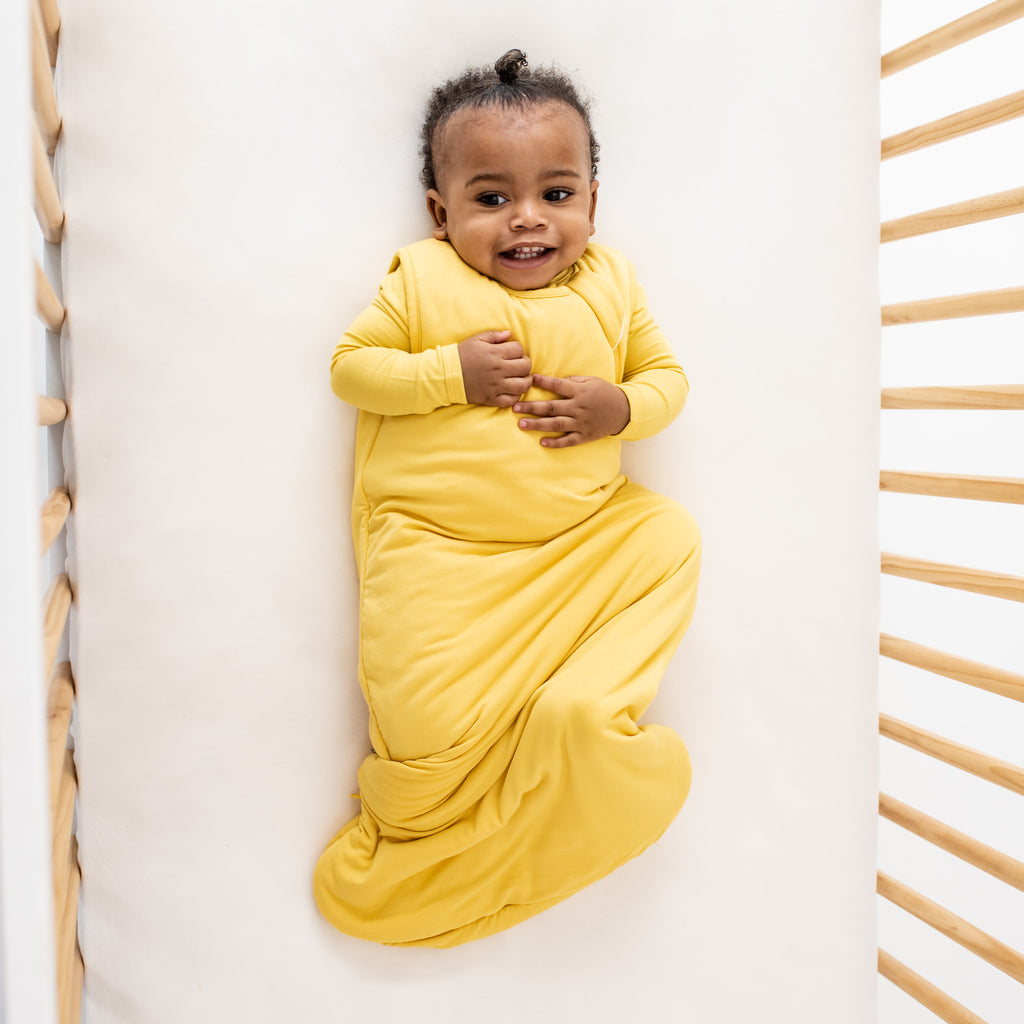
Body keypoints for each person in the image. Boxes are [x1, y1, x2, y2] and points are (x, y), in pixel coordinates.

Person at [313, 49, 701, 948]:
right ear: (441, 215)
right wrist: (451, 373)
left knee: (667, 534)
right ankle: (426, 831)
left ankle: (575, 734)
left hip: (577, 546)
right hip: (441, 555)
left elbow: (669, 378)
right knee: (425, 718)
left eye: (555, 195)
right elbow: (353, 372)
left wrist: (622, 408)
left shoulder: (614, 284)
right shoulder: (419, 281)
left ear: (593, 204)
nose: (527, 220)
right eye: (491, 200)